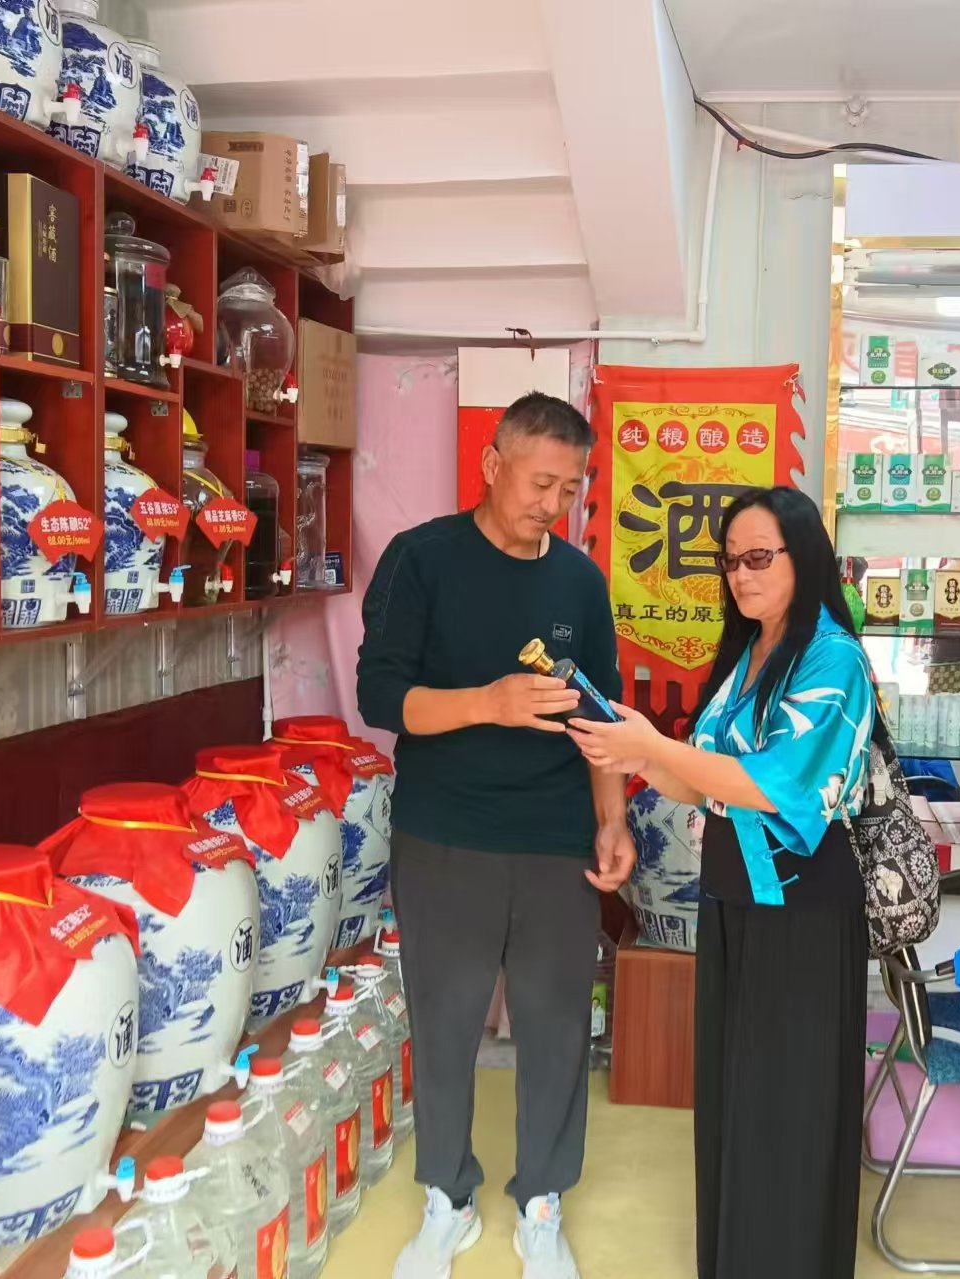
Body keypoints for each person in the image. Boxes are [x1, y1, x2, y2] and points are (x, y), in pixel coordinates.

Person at [356, 391, 636, 1279]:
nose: (552, 504)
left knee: (557, 1025)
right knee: (444, 1023)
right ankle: (448, 1197)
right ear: (492, 462)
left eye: (570, 489)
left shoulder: (580, 582)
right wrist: (489, 702)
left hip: (555, 837)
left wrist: (612, 818)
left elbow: (599, 716)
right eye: (539, 482)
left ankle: (542, 1202)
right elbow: (380, 696)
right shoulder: (422, 559)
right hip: (446, 832)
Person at [568, 485, 875, 1279]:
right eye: (731, 560)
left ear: (804, 556)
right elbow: (703, 783)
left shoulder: (833, 657)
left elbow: (776, 784)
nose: (741, 574)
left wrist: (654, 749)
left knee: (790, 1115)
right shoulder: (750, 653)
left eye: (759, 556)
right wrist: (631, 752)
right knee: (739, 1106)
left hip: (803, 914)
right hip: (735, 903)